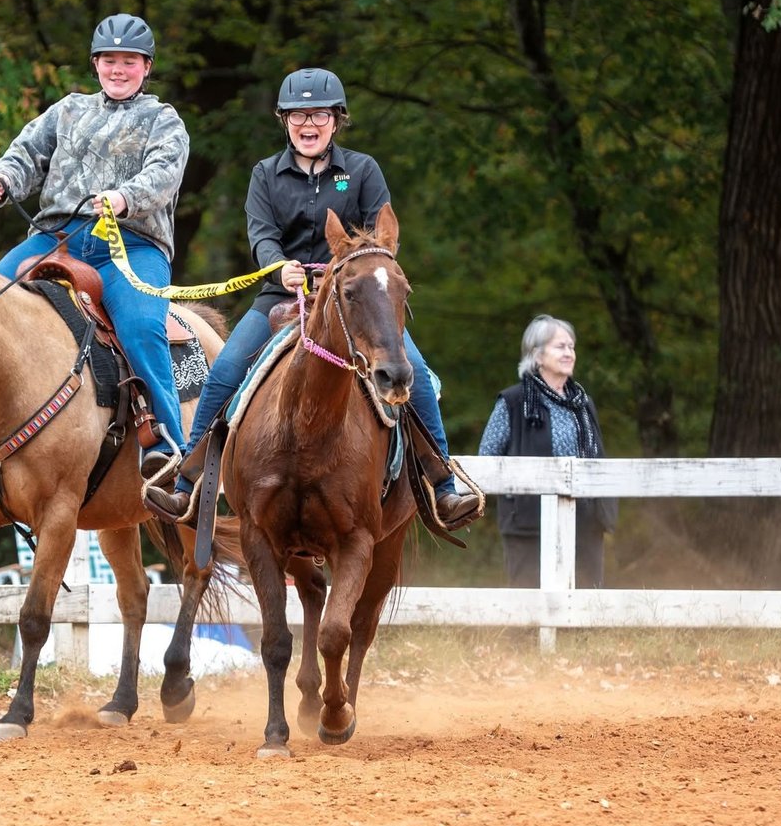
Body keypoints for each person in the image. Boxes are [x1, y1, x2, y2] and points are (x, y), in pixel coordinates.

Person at [144, 67, 480, 528]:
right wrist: (279, 266)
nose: (308, 124)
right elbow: (261, 235)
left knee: (414, 369)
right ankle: (188, 482)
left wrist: (349, 270)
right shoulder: (264, 174)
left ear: (336, 120)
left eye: (318, 114)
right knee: (224, 369)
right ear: (284, 120)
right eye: (298, 115)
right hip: (280, 297)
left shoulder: (362, 170)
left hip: (354, 300)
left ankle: (443, 485)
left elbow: (379, 239)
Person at [0, 12, 189, 482]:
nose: (118, 70)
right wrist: (7, 177)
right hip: (56, 239)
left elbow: (164, 174)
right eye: (109, 60)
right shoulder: (68, 110)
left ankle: (166, 442)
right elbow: (27, 151)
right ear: (95, 64)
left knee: (141, 326)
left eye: (129, 61)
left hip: (130, 244)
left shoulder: (163, 120)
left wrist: (124, 197)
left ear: (146, 68)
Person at [477, 313, 618, 588]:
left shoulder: (582, 404)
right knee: (529, 600)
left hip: (585, 520)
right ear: (538, 356)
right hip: (528, 522)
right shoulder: (514, 402)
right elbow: (487, 459)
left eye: (571, 346)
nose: (568, 353)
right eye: (560, 346)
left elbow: (599, 459)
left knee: (585, 598)